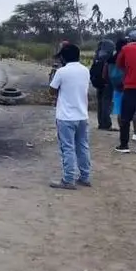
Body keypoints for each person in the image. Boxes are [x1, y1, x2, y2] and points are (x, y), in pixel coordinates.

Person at [48, 43, 92, 189]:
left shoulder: (61, 72)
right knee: (82, 147)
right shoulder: (85, 70)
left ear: (63, 57)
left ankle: (68, 179)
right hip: (82, 115)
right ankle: (85, 177)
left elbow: (52, 91)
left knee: (67, 148)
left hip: (66, 117)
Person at [90, 39, 116, 131]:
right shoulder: (109, 56)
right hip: (107, 83)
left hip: (98, 83)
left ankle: (101, 123)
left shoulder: (97, 55)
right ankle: (107, 124)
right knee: (106, 103)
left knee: (100, 103)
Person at [104, 38, 128, 128]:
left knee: (119, 110)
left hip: (115, 86)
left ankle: (122, 130)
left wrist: (107, 81)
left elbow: (105, 73)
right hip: (126, 86)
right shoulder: (125, 58)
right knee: (130, 110)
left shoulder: (111, 59)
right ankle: (133, 133)